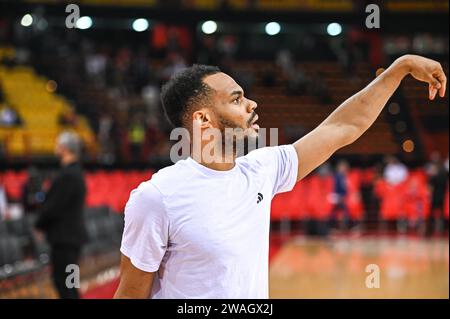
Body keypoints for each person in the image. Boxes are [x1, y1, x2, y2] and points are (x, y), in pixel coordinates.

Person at [114, 55, 447, 299]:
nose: (252, 104)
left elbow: (343, 126)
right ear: (203, 119)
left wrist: (399, 68)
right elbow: (130, 296)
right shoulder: (157, 197)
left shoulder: (261, 169)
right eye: (236, 99)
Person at [35, 131, 88, 299]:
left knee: (66, 285)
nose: (55, 148)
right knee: (70, 284)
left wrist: (39, 224)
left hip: (65, 240)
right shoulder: (76, 173)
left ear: (65, 148)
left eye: (58, 145)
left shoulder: (68, 176)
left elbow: (53, 207)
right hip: (70, 239)